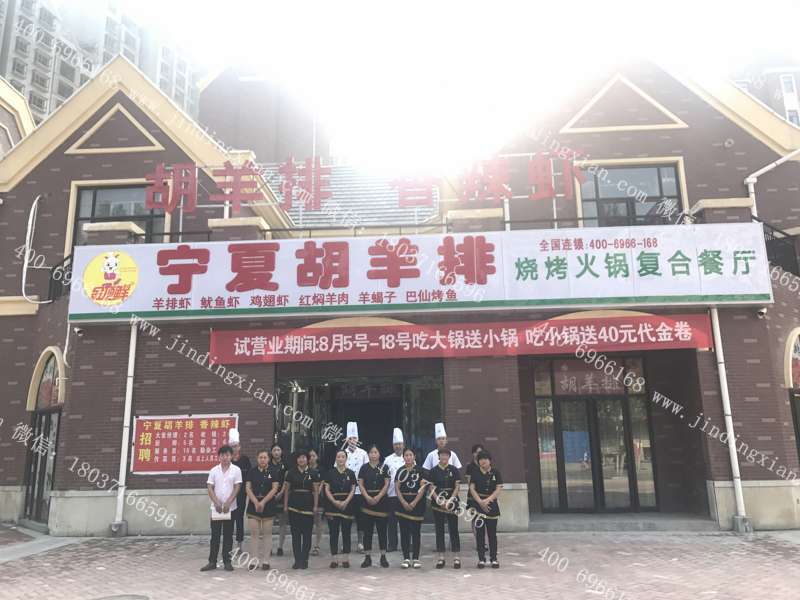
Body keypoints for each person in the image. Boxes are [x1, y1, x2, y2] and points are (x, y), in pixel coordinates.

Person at [201, 445, 242, 572]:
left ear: (231, 456)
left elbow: (237, 487)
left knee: (228, 536)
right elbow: (209, 487)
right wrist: (216, 502)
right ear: (219, 457)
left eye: (227, 455)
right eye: (222, 455)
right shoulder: (214, 470)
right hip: (216, 508)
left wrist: (229, 502)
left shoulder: (236, 470)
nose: (225, 457)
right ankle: (212, 562)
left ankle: (227, 561)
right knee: (215, 536)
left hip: (231, 508)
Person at [424, 447, 462, 569]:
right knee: (439, 530)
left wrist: (450, 500)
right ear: (438, 456)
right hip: (438, 504)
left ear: (449, 457)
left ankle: (456, 557)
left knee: (454, 529)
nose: (444, 457)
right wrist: (438, 500)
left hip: (452, 503)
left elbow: (457, 487)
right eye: (442, 455)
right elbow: (431, 488)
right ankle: (441, 558)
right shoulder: (433, 471)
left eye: (446, 455)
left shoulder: (454, 470)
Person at [283, 449, 320, 569]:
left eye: (304, 457)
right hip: (294, 506)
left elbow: (316, 491)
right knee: (296, 535)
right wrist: (285, 505)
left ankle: (305, 559)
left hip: (308, 506)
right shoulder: (291, 473)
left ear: (307, 459)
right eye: (299, 457)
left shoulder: (313, 473)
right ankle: (297, 559)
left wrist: (315, 506)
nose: (301, 459)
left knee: (307, 534)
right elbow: (287, 490)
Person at [467, 450, 503, 569]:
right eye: (481, 459)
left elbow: (498, 488)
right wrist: (480, 502)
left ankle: (494, 559)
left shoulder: (496, 472)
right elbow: (472, 489)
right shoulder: (475, 473)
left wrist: (488, 500)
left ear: (490, 460)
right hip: (478, 505)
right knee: (480, 534)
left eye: (485, 459)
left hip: (492, 505)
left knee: (492, 534)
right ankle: (481, 559)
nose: (483, 461)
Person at [245, 449, 280, 570]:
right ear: (257, 458)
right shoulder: (252, 471)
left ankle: (266, 561)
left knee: (267, 534)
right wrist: (256, 502)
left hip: (268, 505)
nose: (263, 460)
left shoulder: (273, 471)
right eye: (260, 457)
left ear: (268, 459)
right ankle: (254, 560)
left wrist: (263, 502)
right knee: (254, 534)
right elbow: (248, 488)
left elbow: (275, 488)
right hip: (253, 505)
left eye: (265, 457)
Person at [357, 444, 390, 568]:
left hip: (381, 502)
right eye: (371, 452)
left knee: (382, 531)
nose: (373, 454)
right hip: (367, 502)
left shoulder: (384, 467)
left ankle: (383, 556)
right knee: (367, 532)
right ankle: (367, 557)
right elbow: (361, 484)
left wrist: (378, 496)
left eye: (375, 452)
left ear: (379, 454)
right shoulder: (364, 468)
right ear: (368, 454)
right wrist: (367, 497)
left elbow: (387, 484)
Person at [324, 449, 357, 568]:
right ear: (335, 458)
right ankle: (334, 559)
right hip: (332, 506)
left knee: (346, 532)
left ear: (346, 459)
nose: (340, 459)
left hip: (347, 506)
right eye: (338, 457)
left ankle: (345, 559)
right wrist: (334, 501)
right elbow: (326, 489)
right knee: (333, 533)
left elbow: (353, 489)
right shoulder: (330, 473)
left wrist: (346, 501)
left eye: (343, 457)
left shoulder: (351, 473)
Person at [394, 447, 427, 569]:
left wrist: (414, 502)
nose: (408, 457)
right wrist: (403, 502)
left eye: (410, 455)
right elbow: (397, 488)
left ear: (414, 457)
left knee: (416, 532)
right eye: (406, 455)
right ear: (403, 457)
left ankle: (416, 558)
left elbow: (422, 488)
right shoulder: (400, 470)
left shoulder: (421, 471)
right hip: (402, 504)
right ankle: (406, 558)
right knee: (404, 532)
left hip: (417, 504)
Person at [338, 422, 369, 552]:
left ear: (358, 439)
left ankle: (360, 542)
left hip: (360, 492)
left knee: (361, 518)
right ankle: (345, 543)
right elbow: (336, 471)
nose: (352, 441)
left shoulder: (363, 453)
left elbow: (367, 471)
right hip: (346, 492)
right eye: (350, 438)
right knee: (346, 519)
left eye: (354, 438)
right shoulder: (342, 453)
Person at [382, 428, 406, 553]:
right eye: (396, 444)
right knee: (391, 521)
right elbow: (383, 477)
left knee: (405, 521)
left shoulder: (408, 457)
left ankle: (407, 543)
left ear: (403, 445)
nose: (398, 446)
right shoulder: (387, 460)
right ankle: (392, 544)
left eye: (400, 444)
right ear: (393, 446)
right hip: (391, 494)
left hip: (406, 495)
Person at [229, 428, 251, 552]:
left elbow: (248, 477)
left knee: (239, 518)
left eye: (236, 446)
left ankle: (239, 545)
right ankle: (228, 544)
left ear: (239, 447)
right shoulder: (227, 460)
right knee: (229, 519)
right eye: (232, 446)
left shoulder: (245, 460)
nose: (234, 448)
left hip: (241, 494)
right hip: (228, 494)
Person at [269, 443, 289, 556]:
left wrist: (281, 492)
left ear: (281, 451)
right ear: (271, 452)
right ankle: (269, 547)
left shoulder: (286, 464)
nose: (276, 452)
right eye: (274, 450)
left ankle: (280, 547)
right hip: (270, 496)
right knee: (269, 523)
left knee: (282, 522)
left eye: (278, 450)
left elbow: (287, 481)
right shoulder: (268, 464)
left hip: (283, 495)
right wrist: (272, 494)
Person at [308, 448, 324, 556]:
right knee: (308, 522)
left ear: (317, 457)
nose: (312, 458)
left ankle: (317, 545)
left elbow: (322, 483)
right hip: (307, 498)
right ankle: (307, 545)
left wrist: (317, 493)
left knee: (318, 522)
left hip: (319, 498)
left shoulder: (321, 469)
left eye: (314, 456)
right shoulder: (305, 468)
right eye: (310, 456)